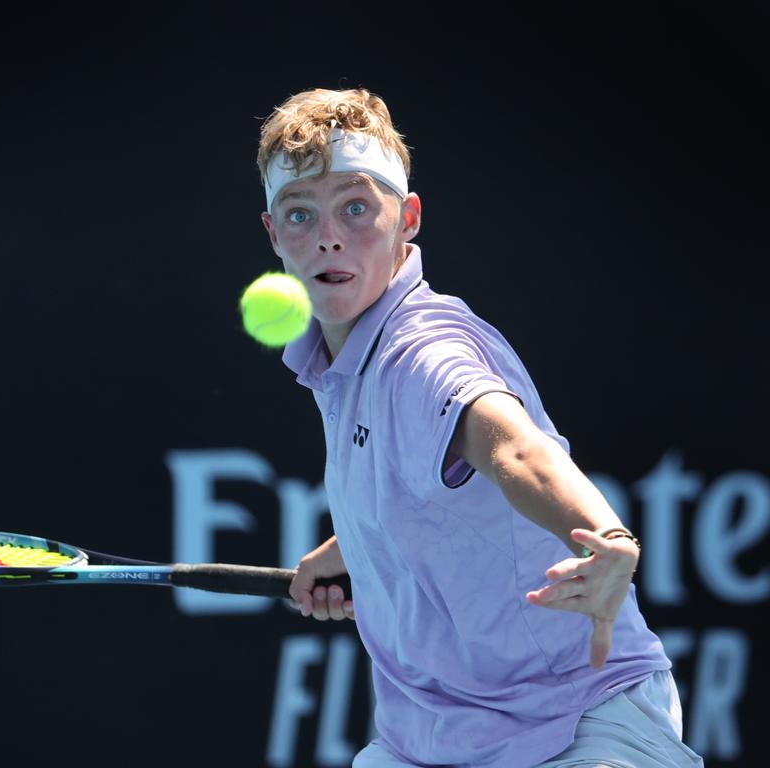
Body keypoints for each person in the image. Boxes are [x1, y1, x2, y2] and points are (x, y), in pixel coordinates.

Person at [257, 87, 704, 768]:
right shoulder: (342, 360)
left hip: (578, 722)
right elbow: (417, 486)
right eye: (300, 214)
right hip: (431, 738)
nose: (327, 236)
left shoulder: (423, 350)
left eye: (355, 207)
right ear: (273, 234)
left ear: (407, 217)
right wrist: (348, 550)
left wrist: (606, 536)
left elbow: (517, 451)